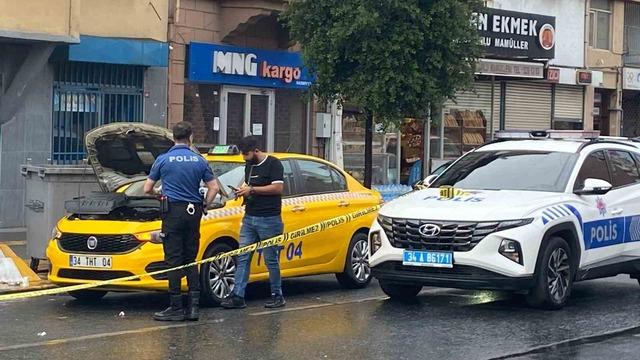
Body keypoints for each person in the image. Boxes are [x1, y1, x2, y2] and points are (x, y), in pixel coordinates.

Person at [144, 121, 218, 322]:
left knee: (174, 260)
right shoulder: (199, 160)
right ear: (190, 137)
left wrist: (159, 194)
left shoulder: (164, 159)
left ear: (173, 137)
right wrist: (205, 205)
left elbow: (147, 188)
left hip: (173, 212)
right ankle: (193, 308)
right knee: (190, 259)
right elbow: (214, 187)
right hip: (193, 212)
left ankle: (176, 307)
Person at [221, 135, 286, 309]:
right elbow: (249, 185)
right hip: (249, 217)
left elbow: (278, 188)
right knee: (243, 256)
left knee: (271, 259)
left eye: (246, 154)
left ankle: (277, 294)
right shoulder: (249, 165)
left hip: (269, 218)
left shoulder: (274, 164)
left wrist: (252, 190)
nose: (244, 157)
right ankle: (238, 296)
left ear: (256, 150)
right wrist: (242, 191)